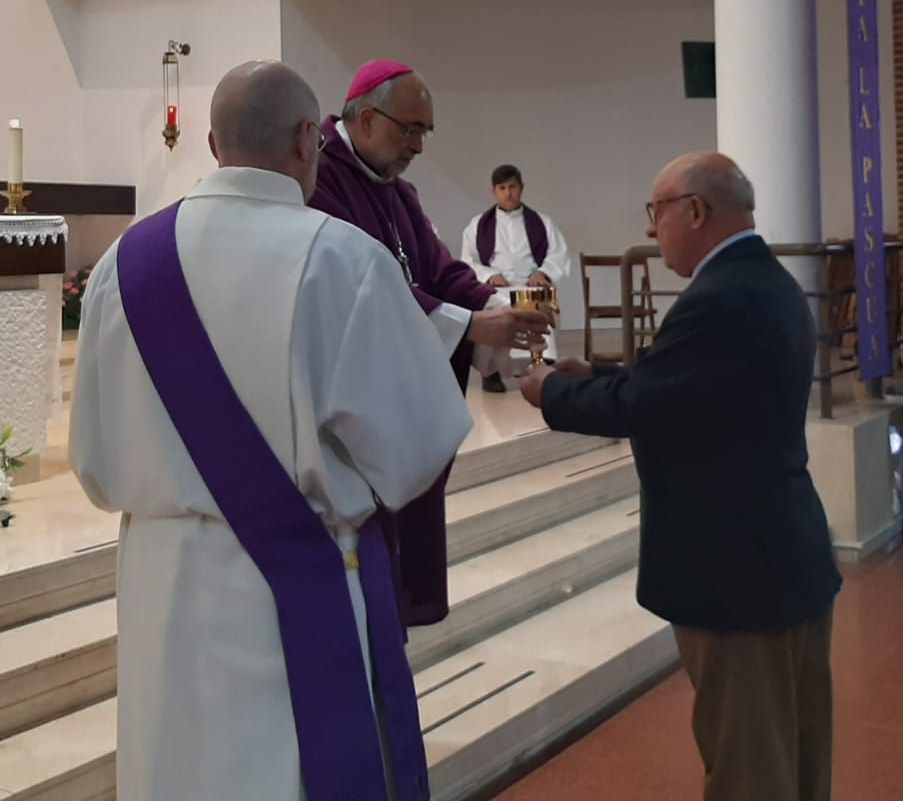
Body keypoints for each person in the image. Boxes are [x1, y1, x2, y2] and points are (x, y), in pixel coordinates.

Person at [70, 61, 472, 801]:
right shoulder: (343, 259)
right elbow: (416, 447)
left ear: (216, 146)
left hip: (163, 583)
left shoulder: (122, 264)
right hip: (295, 580)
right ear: (305, 140)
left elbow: (92, 456)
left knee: (177, 769)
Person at [519, 152, 840, 801]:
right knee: (797, 751)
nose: (652, 230)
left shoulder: (718, 298)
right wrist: (601, 376)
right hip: (782, 550)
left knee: (749, 765)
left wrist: (551, 392)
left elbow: (650, 405)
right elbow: (693, 388)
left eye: (656, 212)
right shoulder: (766, 281)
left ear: (695, 210)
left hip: (734, 569)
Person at [309, 59, 550, 625]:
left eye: (425, 132)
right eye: (409, 129)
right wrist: (468, 326)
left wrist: (498, 307)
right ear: (366, 119)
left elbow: (439, 272)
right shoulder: (320, 181)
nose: (418, 145)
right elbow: (357, 294)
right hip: (352, 409)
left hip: (399, 400)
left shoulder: (396, 191)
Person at [460, 163, 572, 392]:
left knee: (540, 300)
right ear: (494, 192)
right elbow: (467, 261)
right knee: (489, 308)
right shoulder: (477, 225)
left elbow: (557, 253)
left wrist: (543, 272)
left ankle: (542, 363)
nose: (508, 193)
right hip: (496, 289)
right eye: (502, 188)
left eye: (512, 187)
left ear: (521, 188)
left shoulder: (542, 222)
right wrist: (490, 276)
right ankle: (490, 372)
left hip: (529, 284)